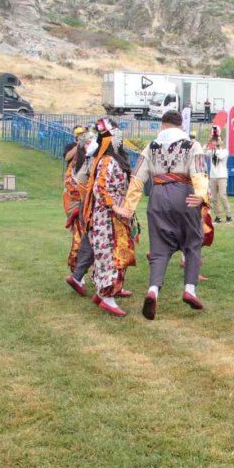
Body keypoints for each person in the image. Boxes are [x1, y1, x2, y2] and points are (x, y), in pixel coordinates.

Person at [115, 109, 209, 320]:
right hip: (185, 196)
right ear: (181, 125)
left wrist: (129, 207)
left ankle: (153, 290)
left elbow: (137, 178)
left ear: (163, 125)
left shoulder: (151, 147)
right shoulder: (192, 145)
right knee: (193, 242)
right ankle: (190, 290)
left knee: (159, 248)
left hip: (157, 196)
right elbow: (199, 172)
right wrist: (201, 195)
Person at [83, 119, 137, 316]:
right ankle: (107, 296)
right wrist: (116, 208)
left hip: (117, 213)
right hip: (107, 216)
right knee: (109, 254)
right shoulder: (107, 160)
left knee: (119, 251)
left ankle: (105, 291)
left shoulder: (114, 159)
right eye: (117, 136)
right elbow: (100, 188)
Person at [64, 126, 106, 297]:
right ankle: (95, 281)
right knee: (91, 242)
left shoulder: (87, 160)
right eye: (86, 141)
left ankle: (79, 276)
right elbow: (74, 184)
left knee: (87, 241)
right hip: (89, 207)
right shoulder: (84, 160)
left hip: (84, 207)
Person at [205, 128, 232, 224]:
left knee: (222, 195)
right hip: (213, 177)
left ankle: (228, 215)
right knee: (214, 198)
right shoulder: (212, 151)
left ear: (222, 142)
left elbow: (220, 156)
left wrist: (215, 146)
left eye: (218, 140)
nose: (216, 141)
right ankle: (218, 217)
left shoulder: (225, 151)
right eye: (216, 140)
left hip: (222, 177)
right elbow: (203, 151)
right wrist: (209, 142)